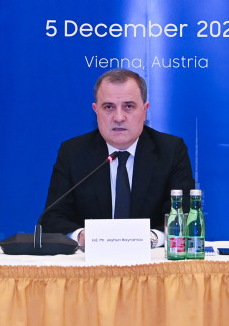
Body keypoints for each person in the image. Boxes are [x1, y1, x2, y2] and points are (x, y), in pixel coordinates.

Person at [42, 69, 195, 247]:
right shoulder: (73, 152)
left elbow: (184, 214)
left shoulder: (171, 150)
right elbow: (52, 218)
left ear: (145, 110)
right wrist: (81, 236)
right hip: (90, 261)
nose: (119, 117)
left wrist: (151, 239)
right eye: (109, 107)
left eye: (128, 106)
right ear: (96, 110)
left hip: (150, 258)